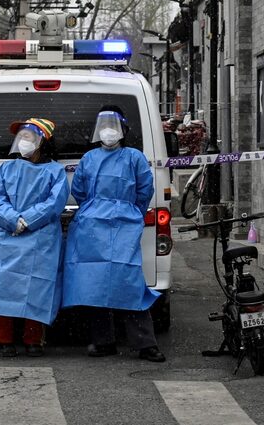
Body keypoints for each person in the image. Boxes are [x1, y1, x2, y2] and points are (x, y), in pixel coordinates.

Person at [62, 105, 165, 362]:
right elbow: (81, 191)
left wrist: (128, 213)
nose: (108, 131)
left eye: (113, 125)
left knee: (128, 281)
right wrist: (101, 209)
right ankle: (103, 340)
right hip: (93, 225)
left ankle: (144, 344)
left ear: (123, 129)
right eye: (103, 125)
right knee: (97, 283)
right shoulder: (89, 158)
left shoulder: (134, 157)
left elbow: (145, 190)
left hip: (124, 224)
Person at [0, 117, 69, 358]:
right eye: (21, 138)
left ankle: (33, 339)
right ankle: (2, 339)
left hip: (39, 240)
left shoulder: (55, 172)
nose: (23, 142)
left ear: (43, 142)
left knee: (37, 288)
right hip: (9, 236)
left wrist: (26, 220)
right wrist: (14, 220)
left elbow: (54, 203)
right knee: (1, 286)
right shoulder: (7, 168)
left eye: (29, 138)